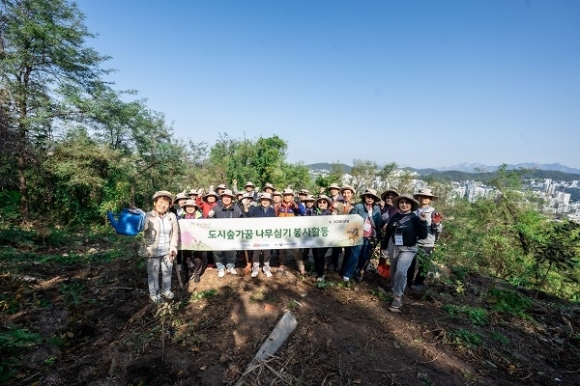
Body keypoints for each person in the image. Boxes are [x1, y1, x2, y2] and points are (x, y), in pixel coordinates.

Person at [382, 194, 428, 312]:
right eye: (401, 202)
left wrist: (423, 222)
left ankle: (397, 297)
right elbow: (388, 233)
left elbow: (423, 235)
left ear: (411, 205)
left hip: (408, 248)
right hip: (394, 246)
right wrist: (384, 247)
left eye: (407, 203)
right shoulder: (395, 217)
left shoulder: (415, 218)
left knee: (401, 271)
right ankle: (394, 290)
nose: (404, 204)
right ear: (398, 204)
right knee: (393, 271)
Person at [140, 190, 179, 303]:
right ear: (155, 203)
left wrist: (173, 246)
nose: (163, 205)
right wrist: (143, 221)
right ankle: (155, 293)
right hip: (151, 251)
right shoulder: (147, 216)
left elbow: (175, 232)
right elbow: (141, 229)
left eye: (166, 203)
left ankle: (166, 290)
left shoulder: (171, 216)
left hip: (167, 250)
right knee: (153, 273)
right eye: (161, 202)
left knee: (167, 271)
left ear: (169, 205)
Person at [342, 188, 384, 282]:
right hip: (358, 235)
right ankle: (347, 274)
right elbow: (351, 219)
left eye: (372, 197)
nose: (370, 199)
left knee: (364, 256)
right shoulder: (358, 207)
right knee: (354, 255)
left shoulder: (376, 209)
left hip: (369, 237)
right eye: (368, 196)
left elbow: (378, 223)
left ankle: (357, 272)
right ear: (364, 197)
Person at [408, 188, 443, 290]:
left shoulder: (433, 212)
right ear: (418, 197)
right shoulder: (413, 211)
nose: (424, 199)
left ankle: (419, 283)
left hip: (427, 243)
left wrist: (437, 224)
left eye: (426, 197)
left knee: (424, 265)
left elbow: (438, 229)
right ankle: (408, 282)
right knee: (411, 263)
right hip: (414, 242)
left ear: (430, 199)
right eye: (422, 196)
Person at [212, 189, 245, 277]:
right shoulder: (216, 208)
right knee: (217, 251)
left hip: (232, 234)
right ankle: (220, 267)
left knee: (232, 251)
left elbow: (242, 219)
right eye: (224, 197)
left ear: (231, 199)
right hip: (218, 233)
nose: (226, 199)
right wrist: (209, 215)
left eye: (228, 197)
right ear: (221, 198)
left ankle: (230, 266)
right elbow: (209, 221)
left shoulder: (236, 208)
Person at [245, 193, 276, 278]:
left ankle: (266, 269)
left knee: (267, 253)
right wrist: (245, 206)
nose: (265, 202)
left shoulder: (272, 211)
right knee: (256, 253)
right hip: (257, 235)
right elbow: (248, 214)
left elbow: (275, 223)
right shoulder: (256, 209)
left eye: (267, 200)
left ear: (270, 201)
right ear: (260, 201)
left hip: (268, 235)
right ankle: (255, 269)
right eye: (263, 200)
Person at [275, 188, 306, 274]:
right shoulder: (279, 205)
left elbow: (303, 212)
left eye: (289, 195)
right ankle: (282, 264)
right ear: (283, 197)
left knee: (296, 250)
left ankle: (301, 267)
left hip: (292, 232)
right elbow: (275, 216)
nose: (287, 197)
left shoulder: (295, 205)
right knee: (281, 249)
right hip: (281, 231)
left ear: (292, 196)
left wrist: (298, 203)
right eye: (285, 195)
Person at [329, 185, 355, 271]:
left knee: (348, 250)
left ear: (352, 194)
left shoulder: (356, 205)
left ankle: (344, 266)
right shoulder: (338, 203)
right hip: (338, 229)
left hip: (349, 230)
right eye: (344, 193)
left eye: (348, 193)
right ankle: (334, 264)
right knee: (336, 248)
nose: (346, 195)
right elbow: (334, 213)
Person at [179, 199, 204, 283]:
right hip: (186, 240)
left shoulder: (200, 216)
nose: (190, 208)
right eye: (188, 207)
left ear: (195, 208)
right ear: (185, 208)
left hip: (198, 239)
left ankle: (196, 273)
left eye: (192, 206)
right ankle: (186, 273)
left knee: (198, 256)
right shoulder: (181, 216)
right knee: (186, 257)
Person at [312, 195, 335, 281]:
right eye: (320, 202)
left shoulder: (330, 213)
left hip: (324, 239)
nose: (321, 204)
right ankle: (316, 270)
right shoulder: (314, 212)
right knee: (314, 254)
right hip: (314, 237)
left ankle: (321, 274)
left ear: (327, 204)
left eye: (324, 202)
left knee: (320, 255)